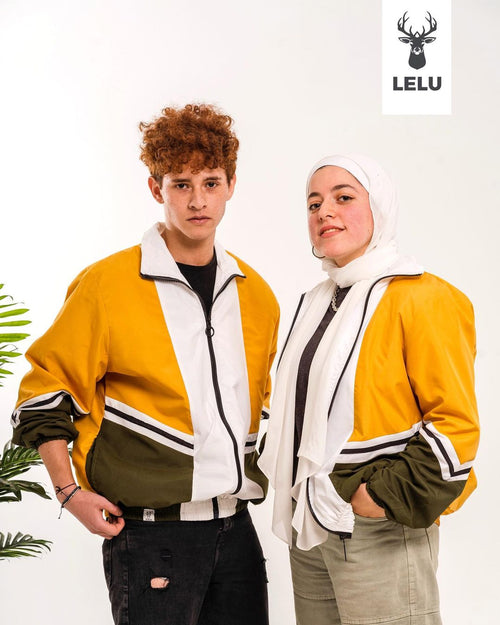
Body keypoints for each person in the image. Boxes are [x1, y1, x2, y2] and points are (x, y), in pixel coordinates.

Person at [11, 103, 279, 625]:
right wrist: (68, 493)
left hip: (237, 530)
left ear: (230, 186)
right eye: (181, 184)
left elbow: (262, 407)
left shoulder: (257, 296)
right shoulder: (106, 285)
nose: (197, 200)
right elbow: (44, 393)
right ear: (157, 189)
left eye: (211, 182)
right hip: (152, 537)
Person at [259, 154, 479, 625]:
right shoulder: (316, 302)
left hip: (379, 528)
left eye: (343, 197)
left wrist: (378, 497)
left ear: (379, 207)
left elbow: (456, 424)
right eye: (314, 204)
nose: (325, 211)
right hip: (311, 523)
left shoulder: (422, 296)